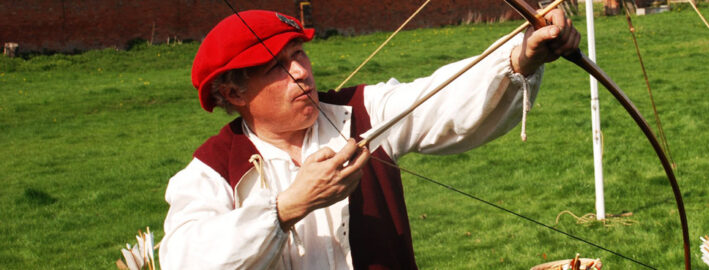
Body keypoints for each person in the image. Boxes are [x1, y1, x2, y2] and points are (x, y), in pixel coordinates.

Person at [159, 9, 580, 269]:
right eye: (276, 67)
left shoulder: (360, 112)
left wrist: (519, 56)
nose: (302, 72)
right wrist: (287, 207)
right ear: (234, 94)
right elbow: (184, 260)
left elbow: (441, 97)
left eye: (298, 54)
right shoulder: (211, 170)